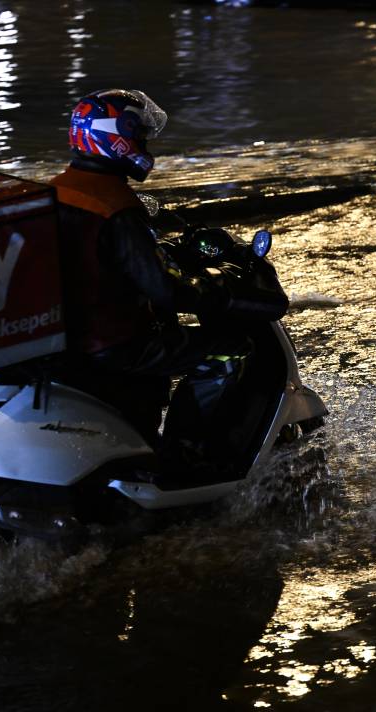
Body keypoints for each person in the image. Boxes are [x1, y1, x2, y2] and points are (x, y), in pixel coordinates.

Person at [49, 88, 250, 462]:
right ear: (117, 138)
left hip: (67, 336)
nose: (142, 141)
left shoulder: (58, 189)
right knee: (231, 350)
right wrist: (218, 286)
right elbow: (165, 289)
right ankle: (186, 452)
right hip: (111, 341)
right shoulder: (114, 205)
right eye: (138, 133)